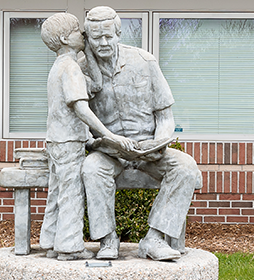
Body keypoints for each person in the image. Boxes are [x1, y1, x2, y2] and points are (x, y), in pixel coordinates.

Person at [81, 6, 202, 261]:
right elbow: (79, 122)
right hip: (109, 152)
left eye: (108, 36)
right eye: (96, 38)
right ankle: (107, 239)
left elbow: (165, 116)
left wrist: (159, 141)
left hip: (149, 148)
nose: (102, 43)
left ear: (118, 34)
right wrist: (98, 142)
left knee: (186, 167)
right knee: (91, 169)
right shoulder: (80, 70)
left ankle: (154, 238)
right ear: (87, 38)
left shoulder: (144, 62)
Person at [38, 12, 136, 260]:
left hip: (56, 140)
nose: (82, 34)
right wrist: (109, 134)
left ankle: (49, 242)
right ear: (64, 38)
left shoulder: (60, 66)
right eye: (76, 32)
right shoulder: (70, 67)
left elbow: (96, 85)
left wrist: (88, 54)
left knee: (56, 192)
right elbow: (81, 107)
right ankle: (69, 247)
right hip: (69, 140)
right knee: (71, 193)